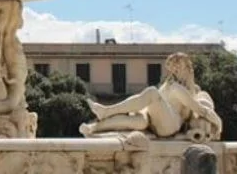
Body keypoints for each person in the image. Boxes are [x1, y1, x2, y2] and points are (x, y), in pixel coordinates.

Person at [79, 52, 222, 139]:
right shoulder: (168, 86)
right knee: (138, 120)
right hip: (154, 120)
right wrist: (137, 110)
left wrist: (218, 125)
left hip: (170, 126)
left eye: (179, 65)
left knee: (152, 92)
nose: (175, 69)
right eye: (172, 67)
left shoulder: (191, 90)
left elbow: (202, 110)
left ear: (188, 68)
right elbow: (150, 104)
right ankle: (93, 128)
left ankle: (107, 111)